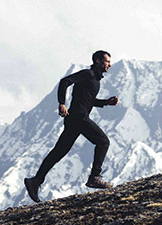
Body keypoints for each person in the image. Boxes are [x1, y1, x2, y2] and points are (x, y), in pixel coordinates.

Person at [24, 50, 120, 203]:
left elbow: (89, 100)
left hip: (74, 119)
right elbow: (65, 82)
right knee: (103, 141)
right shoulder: (88, 74)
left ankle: (35, 181)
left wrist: (106, 102)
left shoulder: (95, 80)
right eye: (107, 61)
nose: (110, 64)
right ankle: (95, 177)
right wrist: (61, 103)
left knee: (59, 152)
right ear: (97, 61)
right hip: (78, 117)